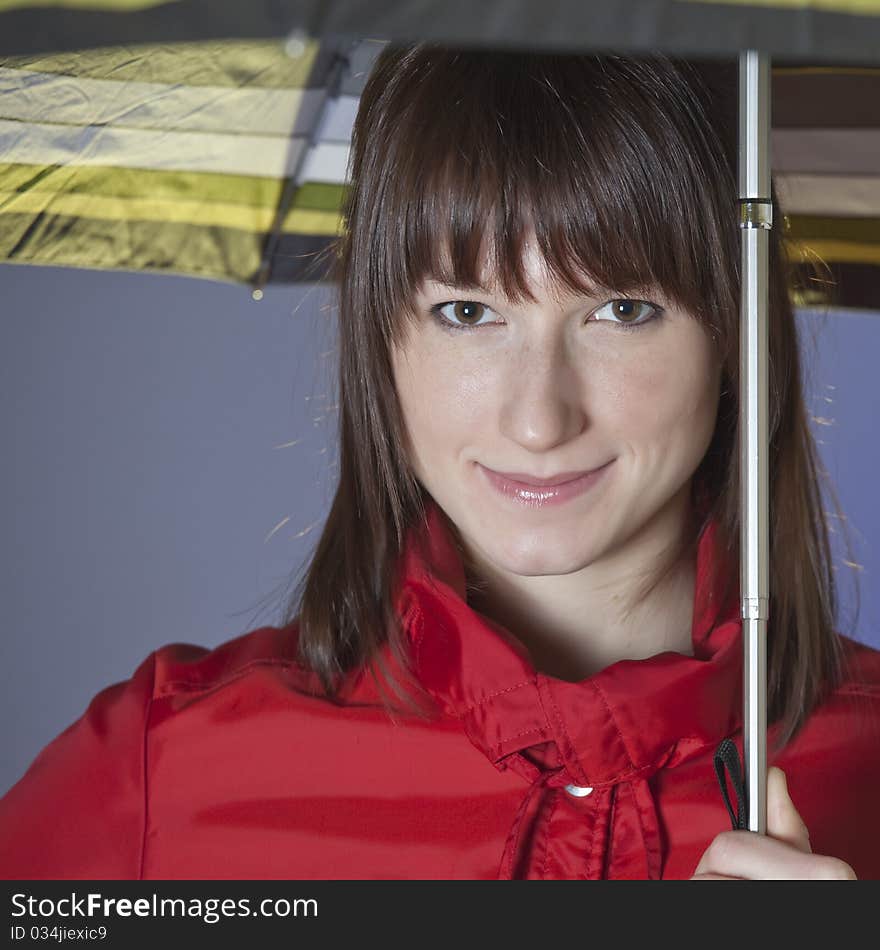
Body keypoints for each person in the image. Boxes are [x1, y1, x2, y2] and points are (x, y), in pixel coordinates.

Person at [1, 44, 878, 881]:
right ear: (382, 340)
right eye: (466, 312)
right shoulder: (164, 773)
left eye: (621, 309)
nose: (539, 419)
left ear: (732, 332)